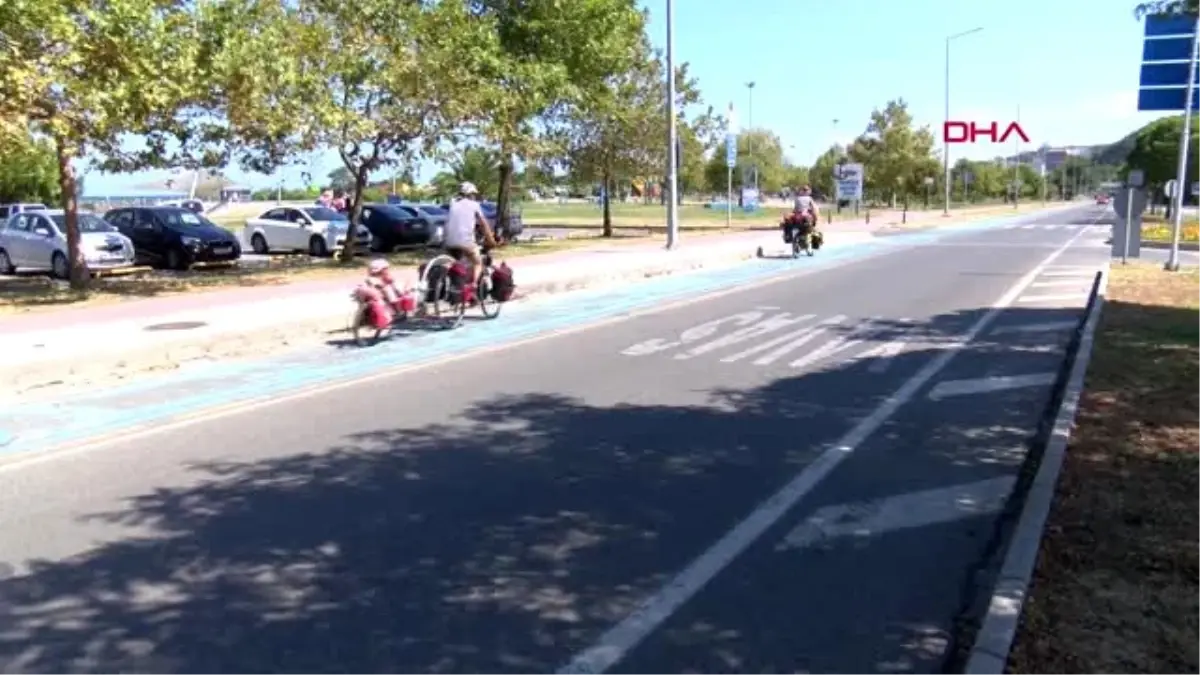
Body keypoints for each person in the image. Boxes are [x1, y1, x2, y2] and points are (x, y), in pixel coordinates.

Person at [443, 181, 499, 285]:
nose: (474, 196)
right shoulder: (474, 205)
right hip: (466, 242)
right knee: (477, 263)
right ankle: (473, 286)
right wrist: (491, 240)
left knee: (455, 262)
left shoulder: (453, 204)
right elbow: (484, 224)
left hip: (448, 242)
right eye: (473, 194)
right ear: (470, 194)